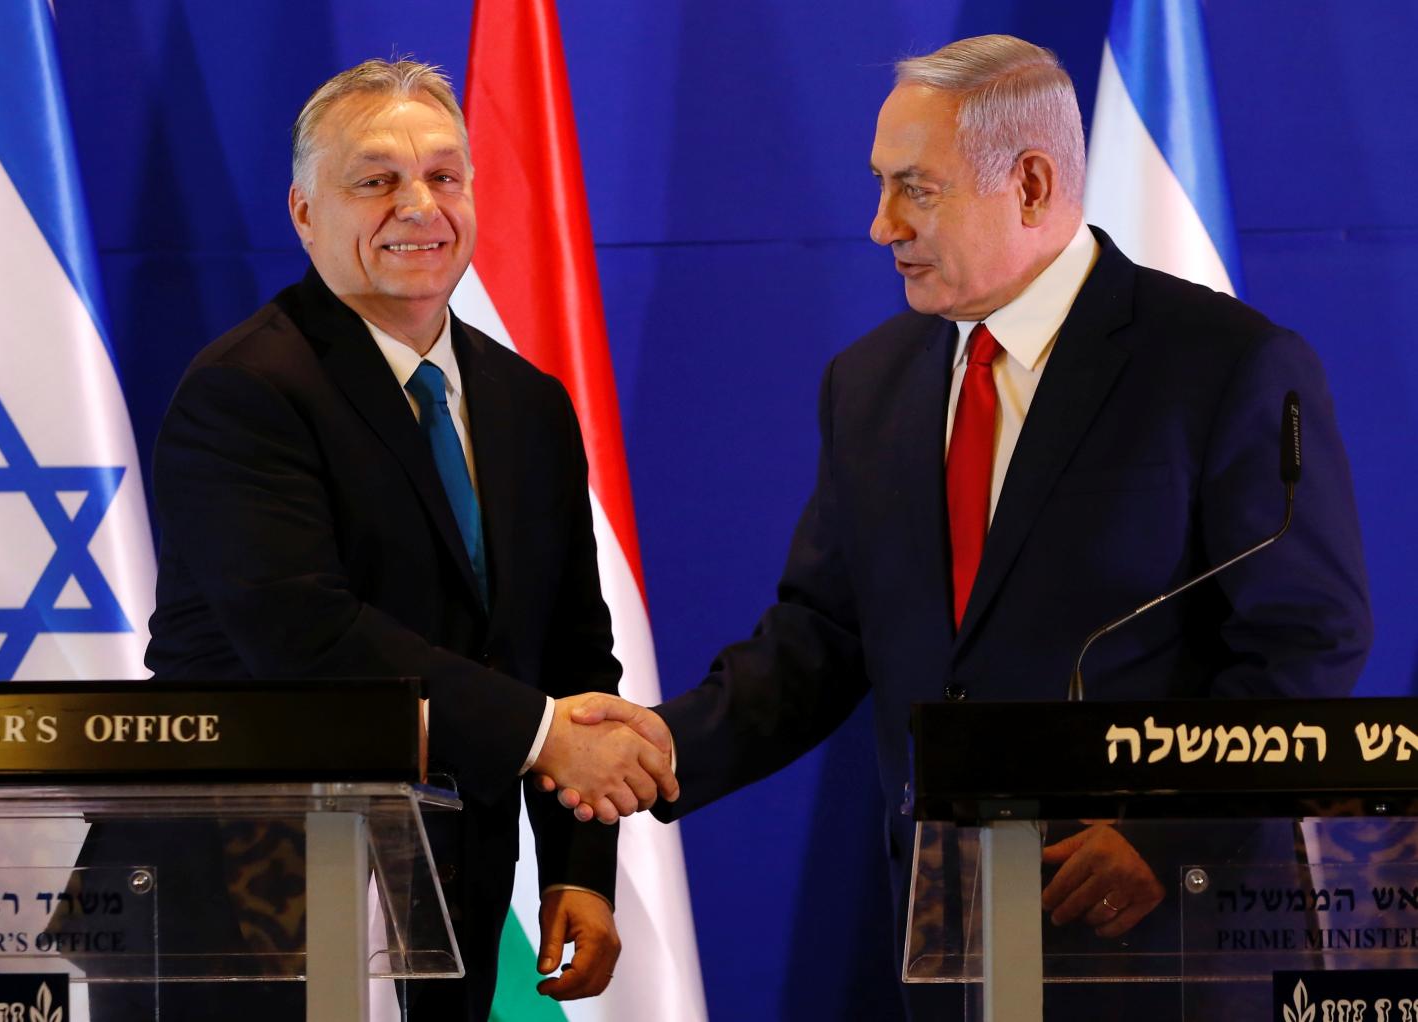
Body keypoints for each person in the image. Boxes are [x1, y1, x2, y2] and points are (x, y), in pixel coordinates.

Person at [547, 33, 1372, 1016]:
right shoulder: (872, 382)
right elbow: (823, 636)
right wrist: (665, 743)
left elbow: (1305, 641)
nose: (879, 223)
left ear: (1029, 183)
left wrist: (1163, 830)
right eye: (880, 185)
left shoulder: (1222, 363)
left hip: (1161, 942)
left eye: (915, 189)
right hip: (956, 942)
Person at [134, 58, 675, 1021]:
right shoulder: (247, 392)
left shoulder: (528, 405)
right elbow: (309, 638)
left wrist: (579, 867)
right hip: (247, 909)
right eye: (376, 179)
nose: (418, 204)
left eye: (444, 176)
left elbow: (571, 654)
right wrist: (549, 738)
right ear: (304, 213)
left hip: (448, 900)